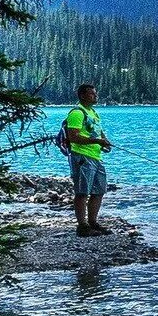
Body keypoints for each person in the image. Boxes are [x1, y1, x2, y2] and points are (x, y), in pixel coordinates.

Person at [56, 84, 114, 236]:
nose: (95, 96)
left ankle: (93, 222)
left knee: (99, 191)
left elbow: (98, 132)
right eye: (92, 94)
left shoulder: (93, 112)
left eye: (95, 93)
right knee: (82, 192)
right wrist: (96, 141)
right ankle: (82, 226)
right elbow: (73, 136)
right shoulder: (76, 113)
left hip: (96, 156)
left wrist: (104, 142)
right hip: (81, 156)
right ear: (82, 96)